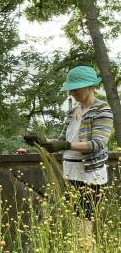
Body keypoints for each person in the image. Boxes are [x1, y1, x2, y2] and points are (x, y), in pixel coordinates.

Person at [24, 65, 113, 220]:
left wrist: (66, 146)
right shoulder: (73, 112)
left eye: (75, 89)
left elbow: (97, 144)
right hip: (70, 172)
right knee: (74, 221)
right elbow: (62, 141)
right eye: (70, 89)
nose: (71, 93)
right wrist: (41, 141)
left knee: (84, 223)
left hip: (90, 176)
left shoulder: (102, 110)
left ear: (89, 86)